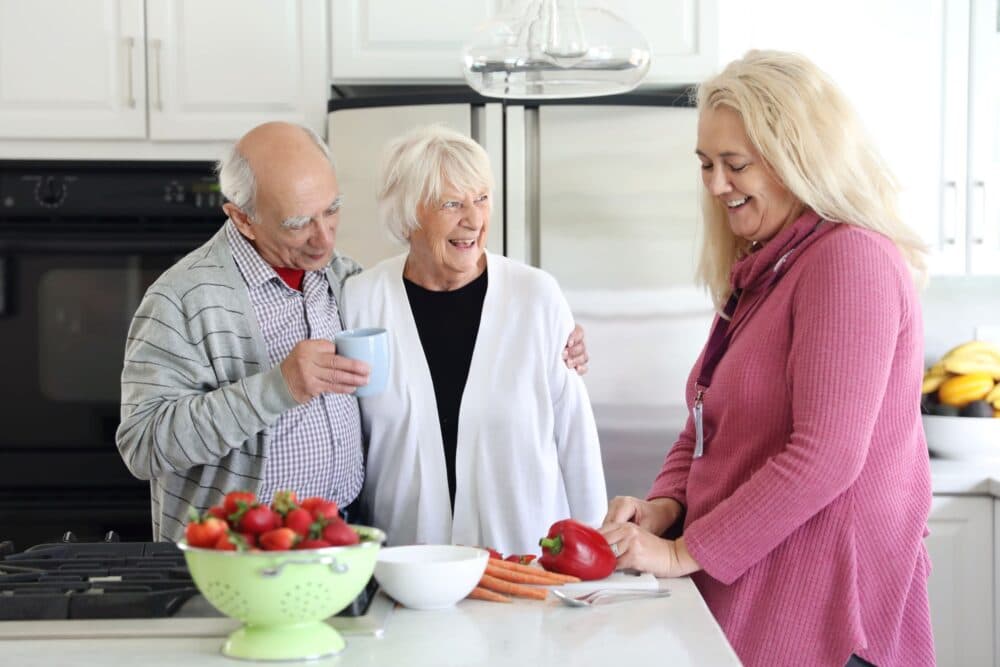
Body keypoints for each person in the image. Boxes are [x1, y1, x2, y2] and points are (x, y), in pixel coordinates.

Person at [599, 51, 934, 667]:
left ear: (799, 160)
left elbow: (825, 457)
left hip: (824, 616)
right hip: (755, 590)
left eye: (735, 164)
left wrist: (680, 552)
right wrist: (665, 507)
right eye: (705, 164)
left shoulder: (849, 260)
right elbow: (705, 420)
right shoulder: (767, 268)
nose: (716, 184)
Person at [116, 121, 589, 543]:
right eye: (299, 222)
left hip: (342, 546)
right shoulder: (183, 300)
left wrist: (555, 342)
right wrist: (278, 388)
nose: (324, 238)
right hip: (239, 554)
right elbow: (142, 445)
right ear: (242, 217)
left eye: (332, 210)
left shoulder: (343, 282)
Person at [341, 125, 607, 555]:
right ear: (408, 216)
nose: (474, 219)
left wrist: (595, 550)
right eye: (451, 203)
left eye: (481, 199)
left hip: (526, 563)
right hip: (407, 568)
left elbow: (576, 435)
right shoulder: (361, 300)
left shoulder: (536, 296)